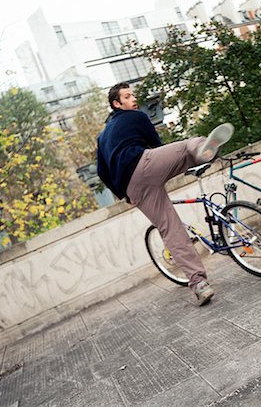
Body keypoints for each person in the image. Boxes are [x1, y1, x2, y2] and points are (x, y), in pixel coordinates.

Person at [97, 82, 233, 305]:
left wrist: (125, 195)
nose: (134, 100)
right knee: (188, 146)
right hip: (145, 163)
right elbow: (156, 144)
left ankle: (199, 284)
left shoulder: (102, 138)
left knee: (170, 229)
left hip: (132, 187)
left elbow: (103, 172)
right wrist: (181, 161)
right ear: (116, 104)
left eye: (133, 95)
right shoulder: (135, 117)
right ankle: (203, 152)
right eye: (128, 96)